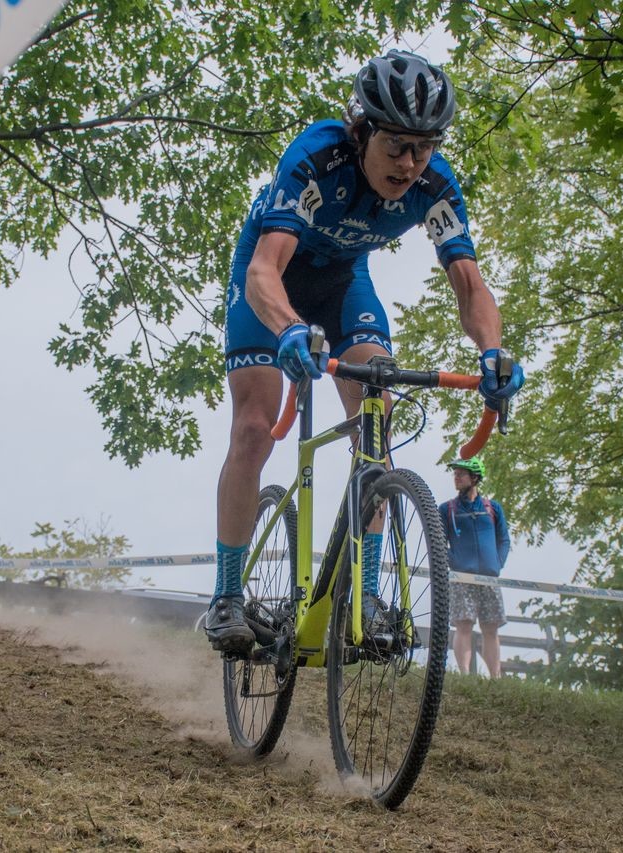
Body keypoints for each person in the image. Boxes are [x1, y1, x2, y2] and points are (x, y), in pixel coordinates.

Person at [205, 49, 525, 653]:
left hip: (344, 285)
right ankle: (226, 594)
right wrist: (289, 330)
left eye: (424, 147)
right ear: (363, 131)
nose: (409, 163)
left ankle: (369, 594)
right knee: (252, 429)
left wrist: (493, 353)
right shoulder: (317, 156)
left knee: (375, 417)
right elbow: (265, 270)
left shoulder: (435, 186)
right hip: (272, 281)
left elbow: (469, 283)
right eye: (397, 145)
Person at [439, 457, 510, 677]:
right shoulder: (447, 509)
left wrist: (497, 564)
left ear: (475, 477)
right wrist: (455, 562)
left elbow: (504, 540)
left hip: (489, 578)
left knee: (491, 628)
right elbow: (439, 541)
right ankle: (464, 674)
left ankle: (495, 677)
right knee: (464, 625)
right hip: (462, 577)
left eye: (461, 474)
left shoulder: (492, 507)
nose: (456, 477)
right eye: (455, 473)